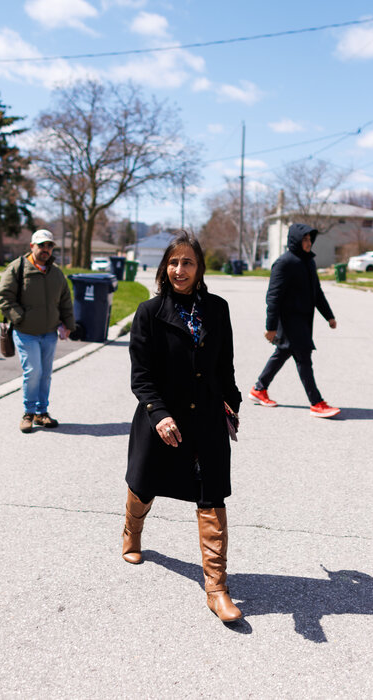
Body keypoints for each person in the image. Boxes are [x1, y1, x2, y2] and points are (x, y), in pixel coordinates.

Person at [122, 232, 244, 623]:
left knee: (211, 498)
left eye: (187, 262)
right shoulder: (149, 312)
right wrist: (159, 413)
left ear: (199, 268)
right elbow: (140, 376)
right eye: (173, 262)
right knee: (143, 485)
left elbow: (225, 365)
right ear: (164, 268)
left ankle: (217, 588)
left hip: (205, 418)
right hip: (163, 419)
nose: (180, 270)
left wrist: (232, 400)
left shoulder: (218, 309)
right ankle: (132, 532)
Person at [248, 223, 340, 418]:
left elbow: (317, 293)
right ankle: (316, 403)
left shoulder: (308, 262)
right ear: (296, 240)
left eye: (309, 239)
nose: (308, 243)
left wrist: (329, 316)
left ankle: (259, 389)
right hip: (289, 321)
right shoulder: (284, 263)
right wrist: (270, 327)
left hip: (304, 321)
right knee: (304, 358)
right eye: (304, 239)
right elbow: (273, 297)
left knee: (282, 352)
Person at [0, 230, 76, 434]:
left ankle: (42, 412)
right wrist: (20, 317)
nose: (45, 249)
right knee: (33, 372)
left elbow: (65, 300)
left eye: (49, 246)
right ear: (32, 246)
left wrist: (68, 324)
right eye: (41, 245)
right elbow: (4, 297)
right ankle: (28, 413)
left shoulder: (56, 272)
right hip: (26, 332)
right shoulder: (18, 268)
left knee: (45, 374)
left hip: (49, 333)